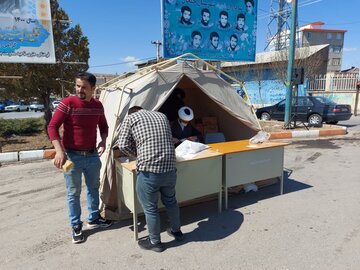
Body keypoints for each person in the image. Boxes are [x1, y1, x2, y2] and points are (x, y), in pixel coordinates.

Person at [48, 72, 112, 244]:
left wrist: (104, 141)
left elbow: (104, 125)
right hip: (71, 157)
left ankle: (94, 219)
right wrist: (59, 151)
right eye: (77, 86)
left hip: (92, 156)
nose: (79, 90)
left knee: (93, 188)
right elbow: (52, 126)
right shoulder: (67, 103)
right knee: (73, 193)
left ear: (93, 88)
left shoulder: (98, 105)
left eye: (84, 87)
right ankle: (76, 226)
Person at [117, 106, 183, 253]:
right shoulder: (161, 115)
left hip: (150, 172)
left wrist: (137, 155)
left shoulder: (131, 118)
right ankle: (176, 231)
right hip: (170, 169)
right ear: (142, 109)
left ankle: (155, 242)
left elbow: (122, 145)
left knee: (150, 208)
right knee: (171, 201)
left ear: (131, 113)